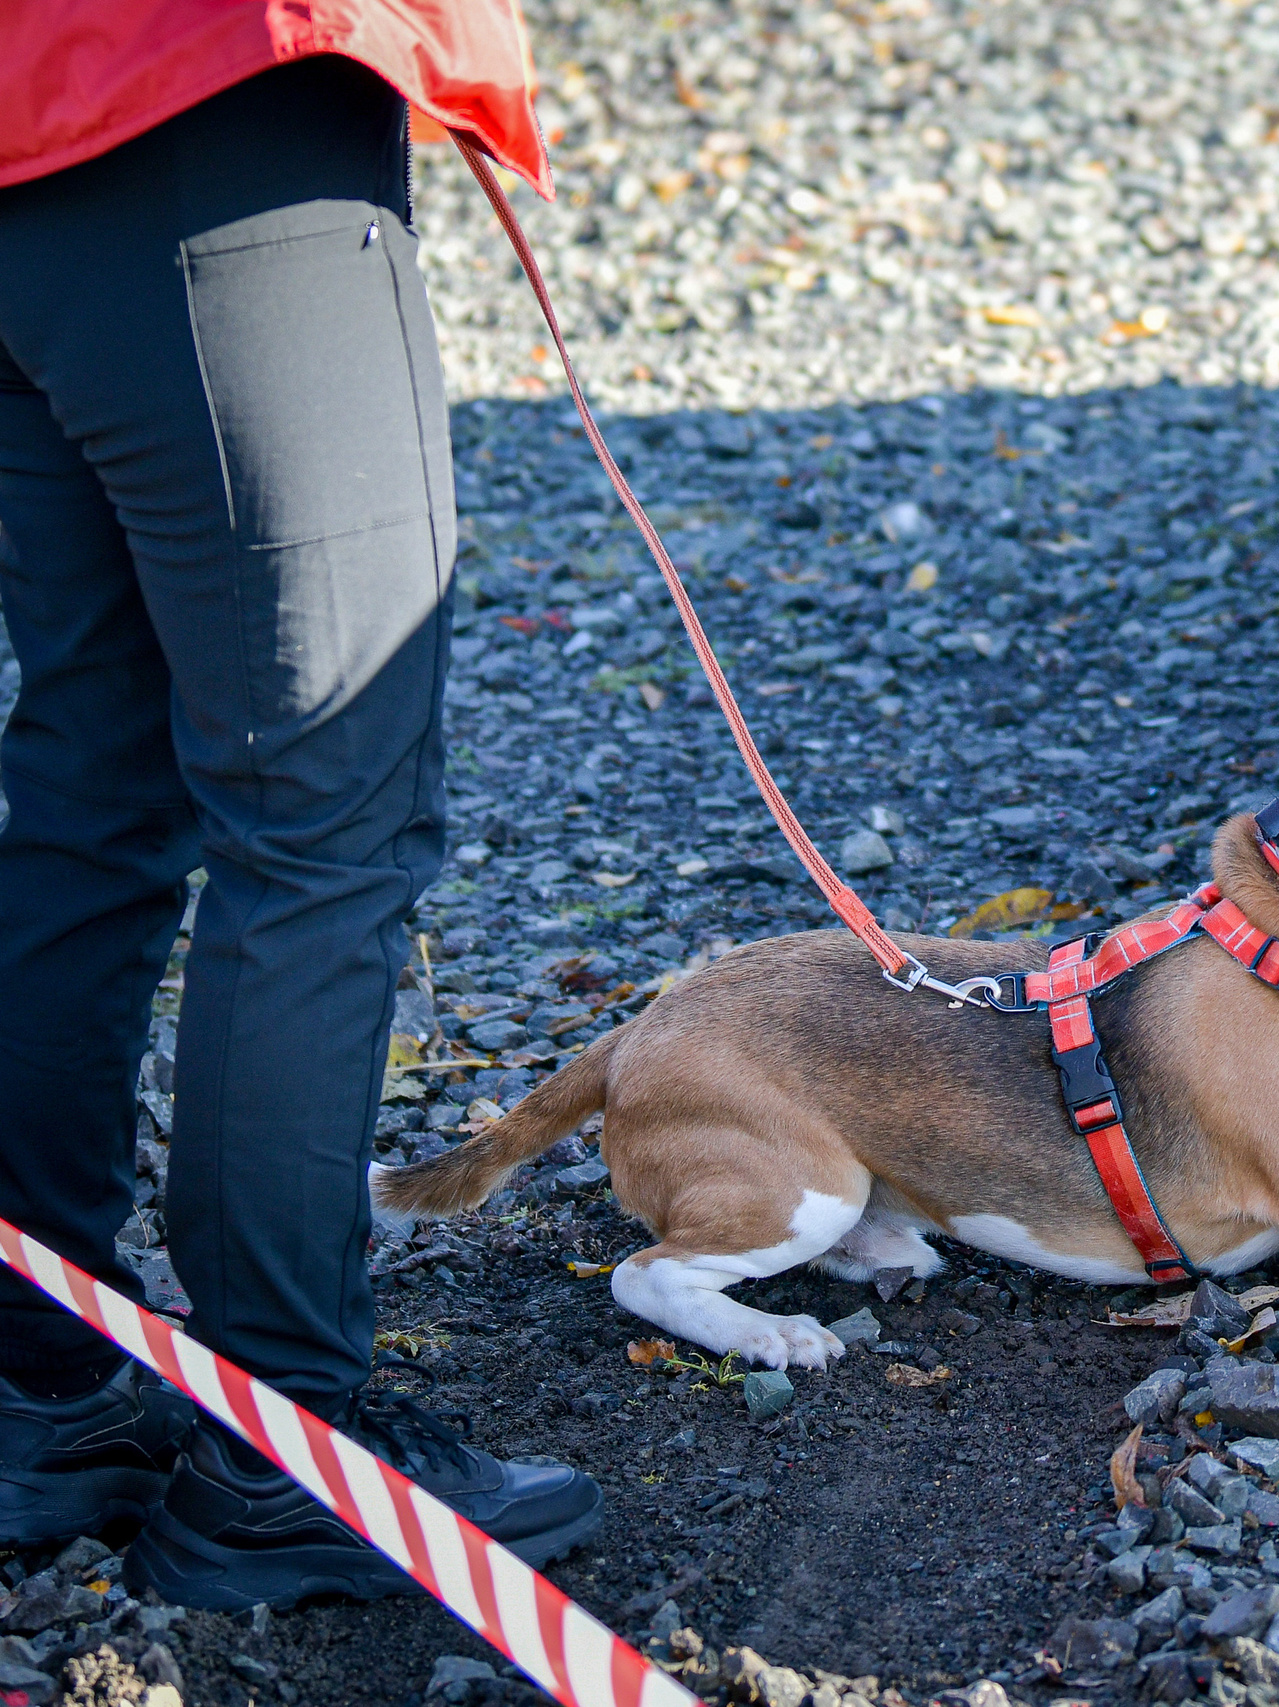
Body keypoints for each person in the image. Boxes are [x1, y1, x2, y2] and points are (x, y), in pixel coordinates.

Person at [0, 6, 603, 1608]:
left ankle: (38, 1382)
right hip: (214, 93)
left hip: (30, 136)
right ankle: (286, 1443)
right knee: (324, 816)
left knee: (92, 778)